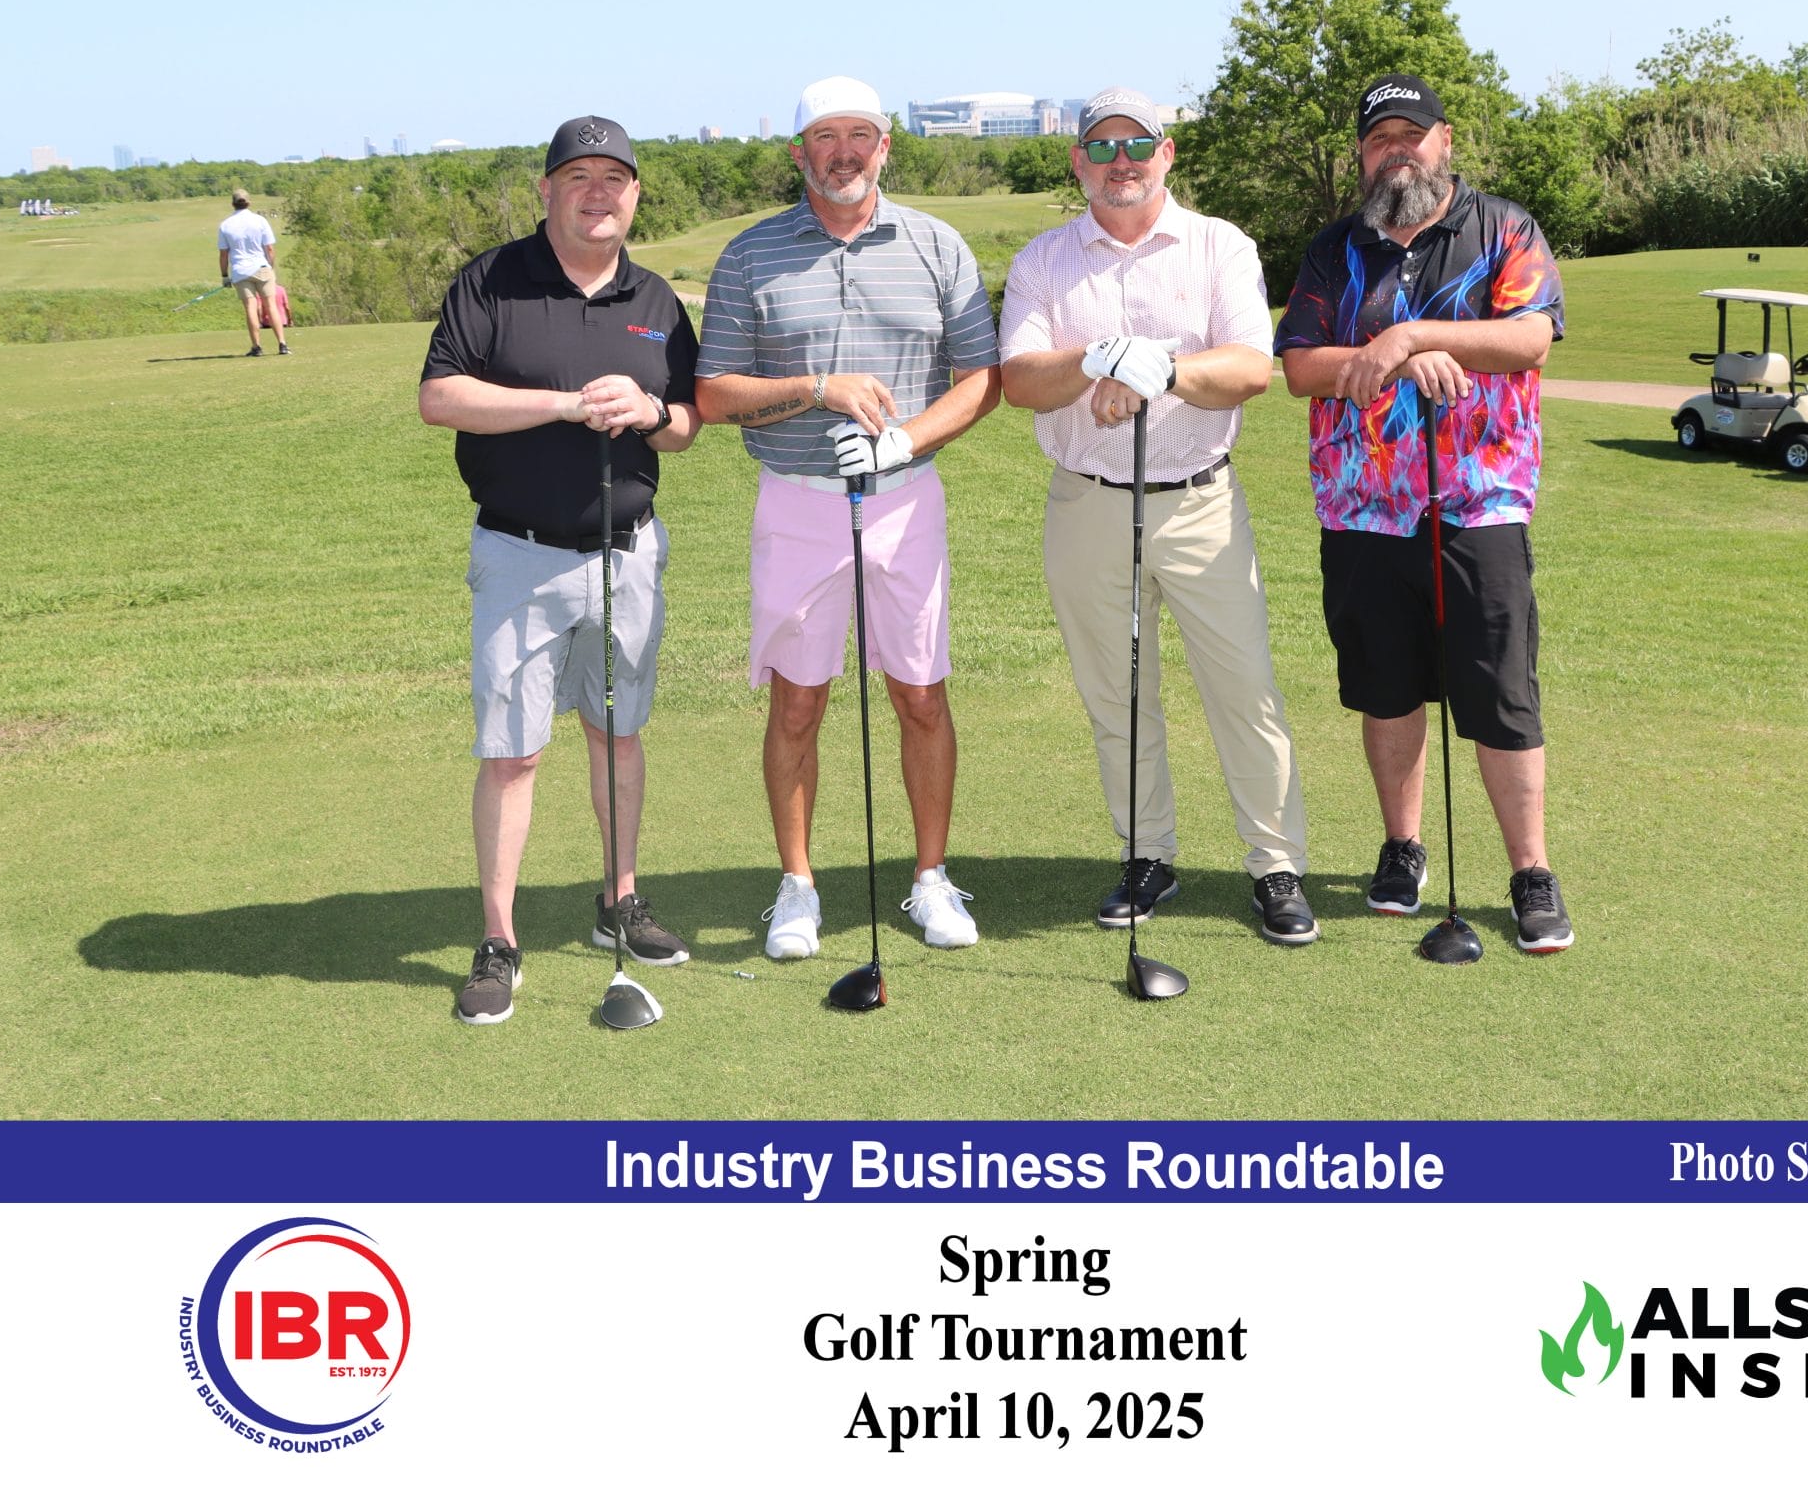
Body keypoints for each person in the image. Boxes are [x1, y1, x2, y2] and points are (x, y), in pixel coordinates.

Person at [997, 87, 1315, 945]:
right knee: (1117, 695)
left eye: (1137, 144)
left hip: (1200, 503)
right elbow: (1021, 379)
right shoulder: (1043, 260)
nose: (1120, 162)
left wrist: (1160, 370)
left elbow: (1250, 367)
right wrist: (1099, 359)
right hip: (1087, 503)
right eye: (1101, 148)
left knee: (1243, 688)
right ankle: (1147, 853)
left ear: (1166, 154)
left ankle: (1275, 863)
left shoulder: (1219, 245)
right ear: (1078, 162)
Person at [695, 76, 1002, 961]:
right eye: (825, 137)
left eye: (859, 135)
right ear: (800, 152)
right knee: (797, 701)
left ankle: (930, 877)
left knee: (921, 692)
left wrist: (904, 440)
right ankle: (797, 886)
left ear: (885, 147)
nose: (843, 153)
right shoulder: (751, 253)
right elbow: (713, 395)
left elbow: (982, 380)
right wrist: (816, 389)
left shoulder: (936, 245)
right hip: (798, 503)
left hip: (907, 500)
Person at [1274, 73, 1573, 957]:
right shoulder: (1335, 250)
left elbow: (1530, 336)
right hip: (1363, 508)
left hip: (1480, 502)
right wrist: (1391, 358)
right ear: (1362, 156)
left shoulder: (1504, 228)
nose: (1396, 151)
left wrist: (1413, 336)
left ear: (1445, 142)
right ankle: (1402, 847)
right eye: (1379, 139)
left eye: (1412, 135)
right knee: (1387, 687)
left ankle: (1531, 871)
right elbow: (1300, 365)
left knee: (1501, 695)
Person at [416, 116, 703, 1026]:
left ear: (635, 194)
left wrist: (650, 410)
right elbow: (440, 396)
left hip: (629, 554)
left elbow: (689, 422)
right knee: (513, 752)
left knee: (618, 733)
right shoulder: (492, 282)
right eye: (578, 176)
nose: (597, 193)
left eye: (614, 177)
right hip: (519, 554)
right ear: (546, 189)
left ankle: (620, 899)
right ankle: (498, 939)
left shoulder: (656, 300)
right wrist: (566, 404)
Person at [217, 189, 289, 357]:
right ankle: (282, 344)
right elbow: (269, 248)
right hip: (262, 267)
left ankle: (256, 347)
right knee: (270, 305)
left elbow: (223, 254)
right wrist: (270, 267)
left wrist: (224, 276)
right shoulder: (260, 220)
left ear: (233, 204)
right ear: (249, 202)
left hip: (240, 271)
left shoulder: (225, 225)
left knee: (250, 306)